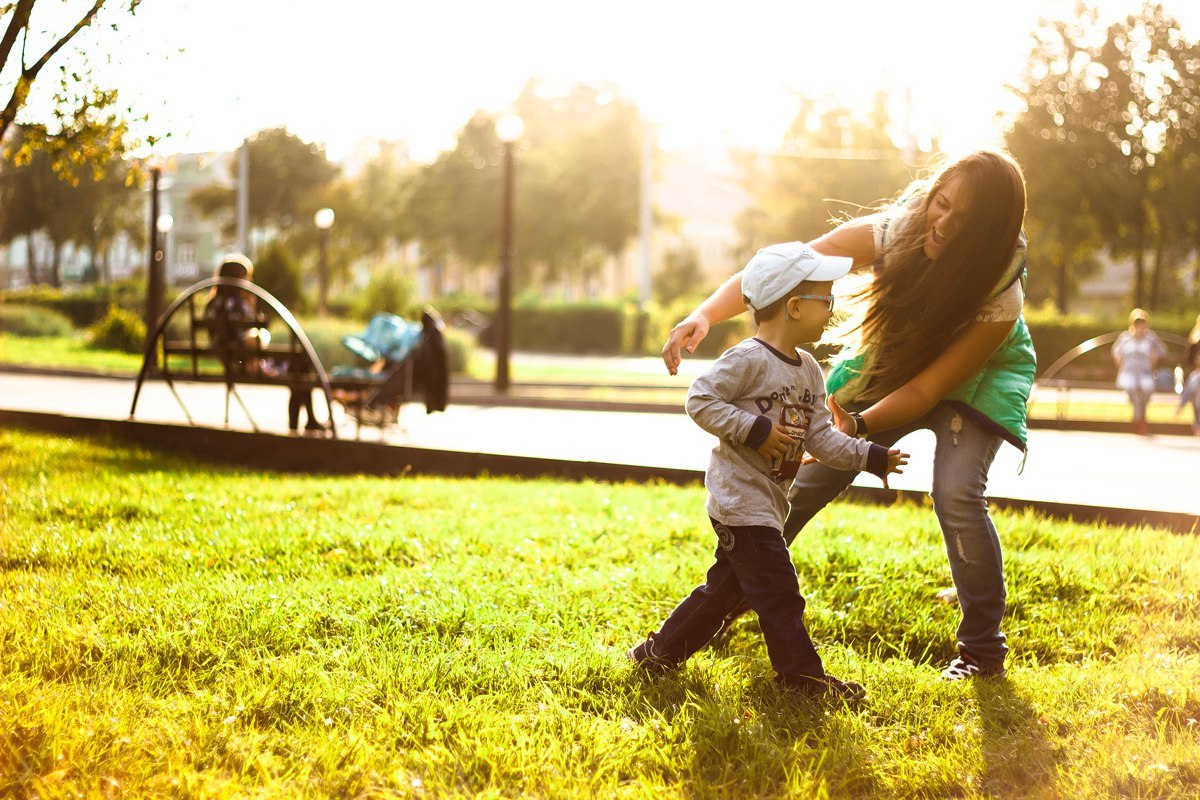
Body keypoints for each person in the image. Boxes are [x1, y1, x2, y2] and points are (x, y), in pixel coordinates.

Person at [661, 148, 1033, 681]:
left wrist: (855, 428)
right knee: (805, 480)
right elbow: (782, 273)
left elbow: (929, 389)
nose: (944, 224)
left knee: (956, 494)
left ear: (991, 231)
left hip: (977, 385)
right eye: (942, 204)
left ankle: (981, 652)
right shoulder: (893, 232)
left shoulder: (1002, 295)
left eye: (965, 219)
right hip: (897, 359)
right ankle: (727, 599)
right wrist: (703, 314)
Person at [628, 243, 907, 699]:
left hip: (768, 504)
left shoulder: (811, 372)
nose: (832, 309)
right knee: (780, 594)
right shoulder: (748, 359)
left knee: (722, 593)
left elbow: (821, 439)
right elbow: (699, 400)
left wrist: (870, 456)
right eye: (827, 299)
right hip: (740, 502)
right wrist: (754, 430)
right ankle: (801, 678)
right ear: (795, 307)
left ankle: (657, 654)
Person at [203, 254, 324, 434]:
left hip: (231, 362)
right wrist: (253, 307)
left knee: (299, 365)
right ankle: (305, 422)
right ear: (240, 279)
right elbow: (253, 335)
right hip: (249, 363)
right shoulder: (239, 302)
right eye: (247, 277)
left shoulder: (211, 303)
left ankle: (308, 420)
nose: (250, 281)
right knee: (301, 363)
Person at [1111, 308, 1167, 435]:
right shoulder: (1125, 338)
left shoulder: (1150, 338)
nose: (1140, 327)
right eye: (1137, 324)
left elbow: (1163, 351)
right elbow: (1116, 353)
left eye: (1142, 323)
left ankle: (1137, 417)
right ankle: (1140, 419)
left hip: (1145, 373)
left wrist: (1154, 355)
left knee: (1147, 388)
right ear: (1132, 324)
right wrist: (1120, 364)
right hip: (1128, 373)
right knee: (1131, 387)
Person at [1177, 314, 1200, 435]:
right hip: (1197, 373)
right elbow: (1190, 362)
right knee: (1195, 381)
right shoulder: (1195, 342)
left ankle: (1181, 406)